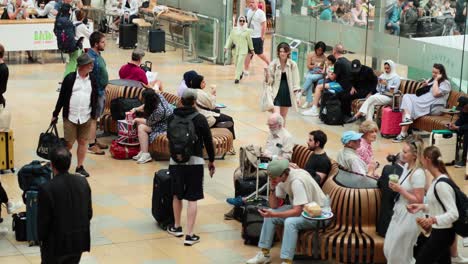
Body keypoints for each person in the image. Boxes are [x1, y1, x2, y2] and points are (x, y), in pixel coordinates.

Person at [245, 159, 327, 264]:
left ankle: (287, 261)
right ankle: (264, 254)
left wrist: (274, 214)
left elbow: (297, 211)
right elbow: (273, 205)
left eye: (274, 178)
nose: (272, 180)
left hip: (319, 215)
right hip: (304, 209)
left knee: (290, 222)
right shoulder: (280, 178)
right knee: (269, 214)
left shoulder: (296, 182)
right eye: (270, 178)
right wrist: (272, 189)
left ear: (283, 174)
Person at [166, 89, 215, 246]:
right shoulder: (199, 118)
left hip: (175, 161)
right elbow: (208, 141)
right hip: (195, 161)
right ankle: (190, 235)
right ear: (195, 101)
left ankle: (176, 227)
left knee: (176, 194)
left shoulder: (172, 117)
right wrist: (211, 161)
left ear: (181, 100)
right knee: (192, 197)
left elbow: (169, 137)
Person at [224, 113, 293, 213]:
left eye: (271, 125)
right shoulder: (271, 133)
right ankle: (239, 199)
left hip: (276, 166)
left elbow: (287, 158)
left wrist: (272, 157)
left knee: (246, 174)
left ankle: (244, 199)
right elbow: (268, 149)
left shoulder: (287, 137)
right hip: (265, 162)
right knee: (239, 171)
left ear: (279, 125)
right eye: (268, 125)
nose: (269, 127)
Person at [38, 146, 92, 264]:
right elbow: (89, 213)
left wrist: (41, 240)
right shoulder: (82, 182)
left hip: (56, 245)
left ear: (52, 165)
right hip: (78, 241)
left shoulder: (47, 188)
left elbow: (43, 222)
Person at [407, 146, 458, 264]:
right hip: (440, 232)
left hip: (443, 233)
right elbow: (438, 206)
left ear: (427, 160)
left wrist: (433, 220)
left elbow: (453, 213)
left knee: (421, 260)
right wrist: (422, 207)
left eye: (422, 159)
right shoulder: (436, 180)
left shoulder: (441, 185)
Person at [52, 53, 97, 178]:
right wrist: (55, 114)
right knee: (68, 144)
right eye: (89, 64)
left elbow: (95, 97)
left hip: (86, 116)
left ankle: (79, 167)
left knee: (83, 141)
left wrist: (94, 114)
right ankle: (62, 168)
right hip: (70, 116)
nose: (91, 66)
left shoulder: (92, 79)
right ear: (81, 66)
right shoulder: (70, 78)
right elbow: (61, 98)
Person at [384, 135, 426, 264]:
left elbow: (419, 201)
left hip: (410, 215)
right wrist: (395, 187)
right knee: (389, 248)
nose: (402, 154)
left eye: (405, 152)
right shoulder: (407, 168)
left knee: (399, 253)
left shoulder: (418, 173)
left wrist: (401, 190)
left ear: (414, 155)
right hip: (400, 211)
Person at [394, 63, 452, 142]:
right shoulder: (431, 80)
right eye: (433, 72)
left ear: (441, 73)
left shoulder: (445, 83)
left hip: (434, 106)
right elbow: (420, 92)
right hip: (424, 101)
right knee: (406, 97)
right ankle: (406, 120)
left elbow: (435, 93)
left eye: (436, 73)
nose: (433, 74)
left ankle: (403, 133)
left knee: (408, 105)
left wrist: (436, 80)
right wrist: (424, 86)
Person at [130, 89, 173, 164]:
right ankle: (143, 151)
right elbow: (146, 105)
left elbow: (149, 123)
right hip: (162, 121)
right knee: (140, 124)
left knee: (141, 127)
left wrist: (136, 119)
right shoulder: (158, 96)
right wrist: (135, 109)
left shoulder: (160, 111)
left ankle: (146, 154)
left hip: (166, 126)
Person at [188, 75, 236, 139]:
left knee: (218, 112)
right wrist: (213, 94)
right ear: (198, 83)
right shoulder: (201, 93)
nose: (205, 83)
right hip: (205, 117)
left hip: (197, 115)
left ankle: (220, 128)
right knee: (230, 119)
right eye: (203, 82)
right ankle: (230, 143)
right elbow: (212, 106)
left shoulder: (190, 91)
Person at [266, 42, 300, 125]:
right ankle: (275, 134)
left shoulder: (293, 65)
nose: (282, 53)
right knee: (276, 116)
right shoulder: (273, 64)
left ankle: (281, 136)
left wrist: (297, 97)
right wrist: (267, 75)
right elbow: (269, 81)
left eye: (284, 51)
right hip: (275, 93)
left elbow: (296, 82)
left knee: (283, 116)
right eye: (280, 51)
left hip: (287, 94)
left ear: (288, 52)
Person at [87, 31, 109, 154]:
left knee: (96, 118)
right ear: (96, 44)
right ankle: (91, 145)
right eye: (102, 42)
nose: (104, 44)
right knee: (93, 118)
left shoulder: (97, 55)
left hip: (100, 91)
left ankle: (94, 140)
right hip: (94, 93)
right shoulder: (90, 57)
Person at [224, 15, 254, 84]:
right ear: (238, 21)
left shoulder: (247, 31)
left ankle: (237, 78)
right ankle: (241, 72)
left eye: (243, 21)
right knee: (237, 64)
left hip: (243, 50)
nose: (242, 22)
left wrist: (252, 49)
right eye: (240, 21)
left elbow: (250, 41)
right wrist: (226, 47)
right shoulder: (234, 30)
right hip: (235, 50)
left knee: (240, 62)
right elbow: (230, 39)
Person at [244, 0, 270, 75]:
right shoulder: (248, 12)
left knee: (259, 53)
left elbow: (264, 25)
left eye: (253, 2)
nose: (251, 4)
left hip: (257, 37)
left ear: (257, 3)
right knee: (248, 53)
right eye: (250, 2)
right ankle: (245, 69)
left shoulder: (260, 13)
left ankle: (269, 63)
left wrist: (262, 36)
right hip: (250, 37)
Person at [298, 41, 327, 109]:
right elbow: (308, 66)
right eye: (318, 50)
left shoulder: (324, 57)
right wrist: (315, 65)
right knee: (309, 80)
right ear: (316, 48)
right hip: (311, 71)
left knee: (309, 78)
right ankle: (308, 101)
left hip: (319, 73)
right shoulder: (311, 54)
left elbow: (325, 68)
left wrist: (320, 68)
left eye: (321, 50)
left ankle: (301, 92)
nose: (319, 52)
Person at [63, 10, 92, 77]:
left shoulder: (72, 23)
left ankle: (76, 76)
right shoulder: (82, 26)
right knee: (73, 62)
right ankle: (66, 78)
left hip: (70, 45)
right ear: (83, 17)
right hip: (77, 46)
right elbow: (90, 35)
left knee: (78, 62)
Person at [449, 102, 468, 168]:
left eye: (463, 108)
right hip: (464, 128)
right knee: (453, 132)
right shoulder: (464, 112)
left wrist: (458, 127)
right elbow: (461, 121)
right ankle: (452, 155)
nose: (463, 110)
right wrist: (453, 125)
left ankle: (464, 159)